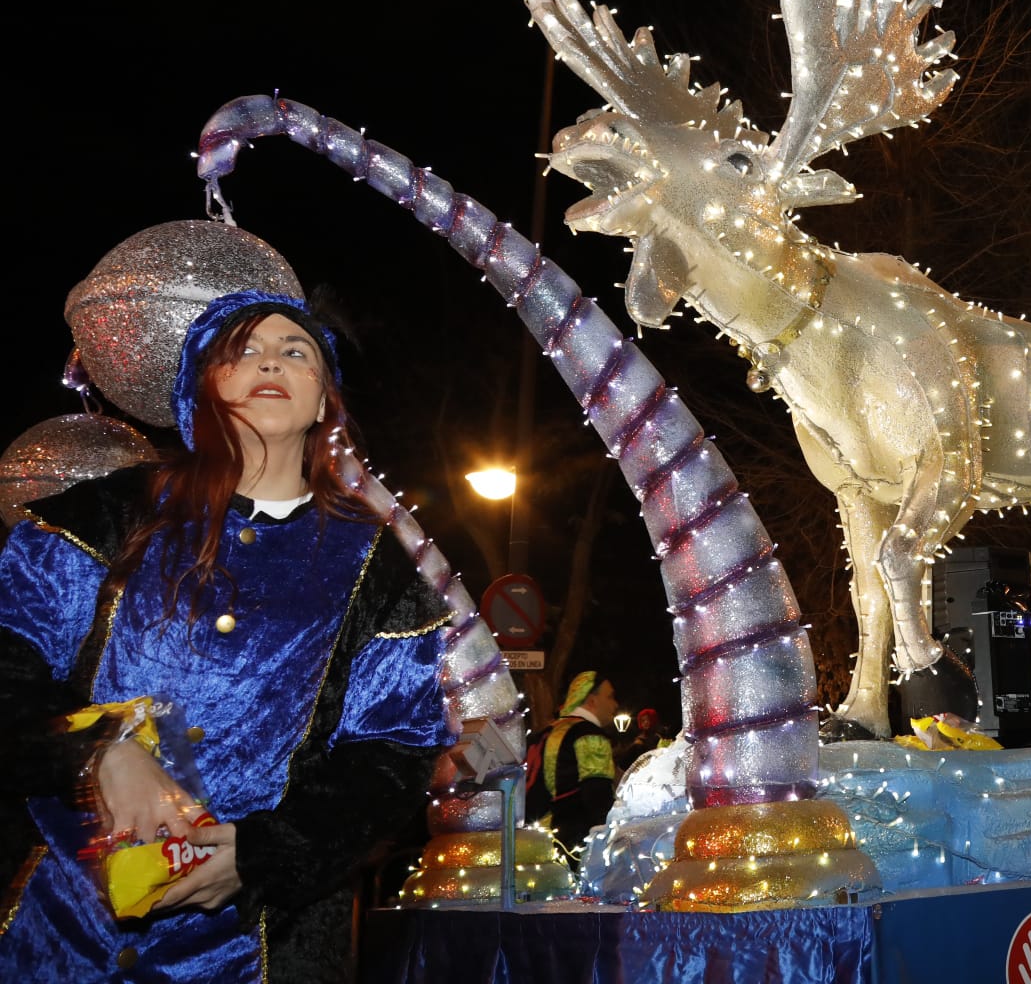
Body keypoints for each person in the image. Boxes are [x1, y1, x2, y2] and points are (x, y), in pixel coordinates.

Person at [0, 291, 452, 980]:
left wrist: (264, 854)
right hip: (48, 930)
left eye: (295, 352)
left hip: (257, 946)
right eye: (240, 352)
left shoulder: (380, 569)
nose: (270, 360)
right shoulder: (98, 518)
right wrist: (97, 754)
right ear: (199, 390)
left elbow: (391, 756)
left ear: (324, 399)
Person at [525, 670, 619, 864]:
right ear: (591, 701)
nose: (615, 704)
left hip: (532, 842)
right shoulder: (589, 735)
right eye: (610, 697)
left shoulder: (542, 734)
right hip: (573, 846)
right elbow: (597, 796)